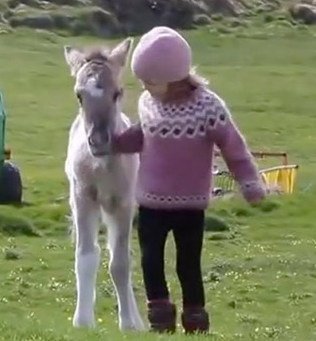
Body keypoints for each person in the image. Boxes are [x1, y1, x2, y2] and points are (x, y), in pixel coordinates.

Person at [110, 26, 266, 334]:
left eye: (151, 80)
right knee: (150, 261)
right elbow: (142, 135)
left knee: (188, 265)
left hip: (190, 205)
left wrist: (250, 183)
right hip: (151, 201)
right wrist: (112, 143)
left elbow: (233, 148)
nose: (144, 85)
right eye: (141, 79)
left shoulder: (208, 108)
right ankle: (161, 319)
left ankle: (195, 320)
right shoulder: (148, 102)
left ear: (176, 77)